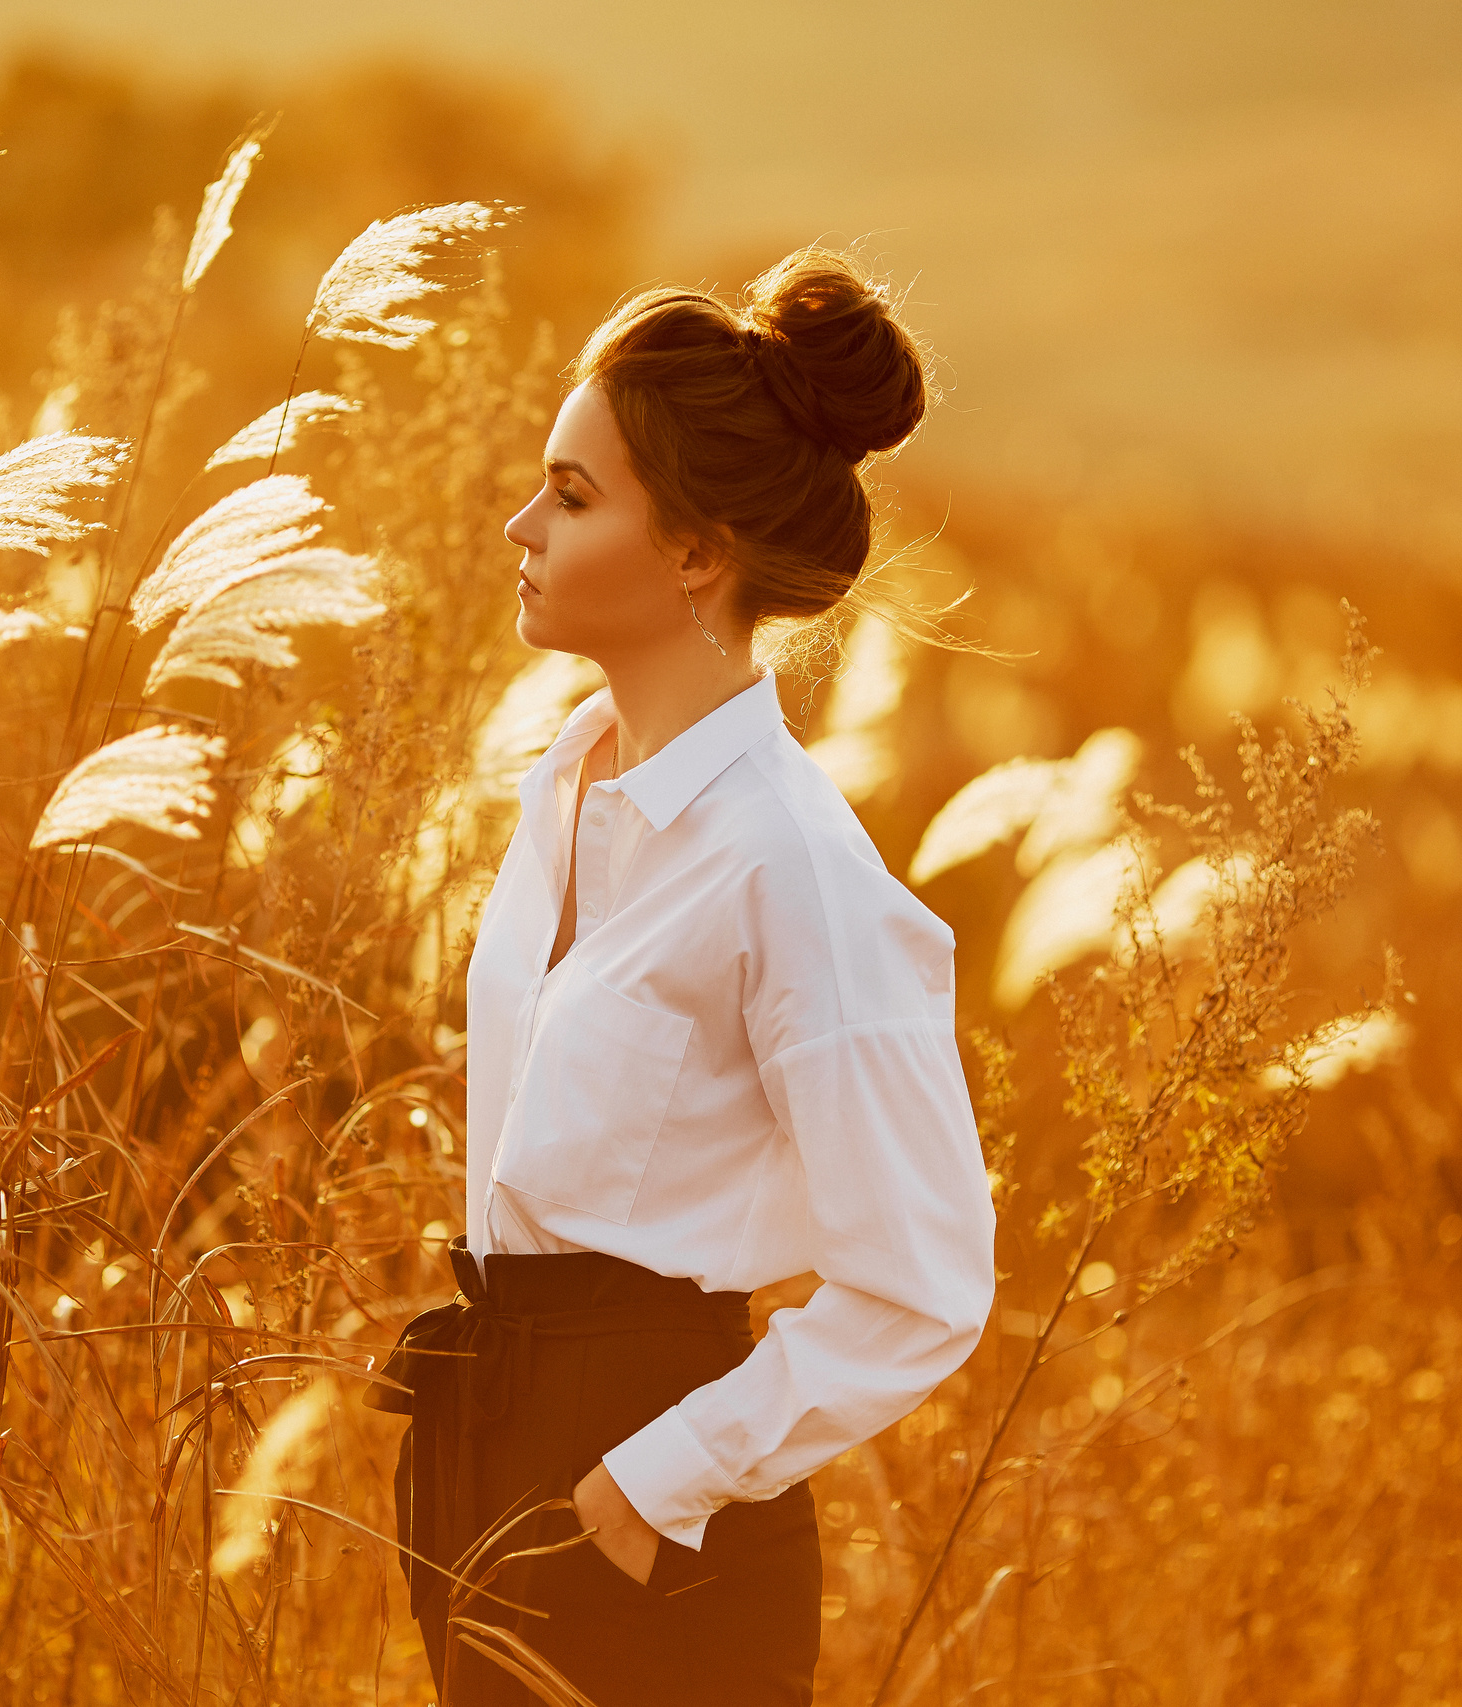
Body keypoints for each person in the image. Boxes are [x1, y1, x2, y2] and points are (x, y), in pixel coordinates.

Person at [374, 248, 997, 1706]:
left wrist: (656, 1482)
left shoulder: (793, 865)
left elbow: (925, 1280)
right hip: (488, 1448)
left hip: (656, 1503)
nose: (520, 524)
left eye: (575, 497)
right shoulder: (562, 787)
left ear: (696, 554)